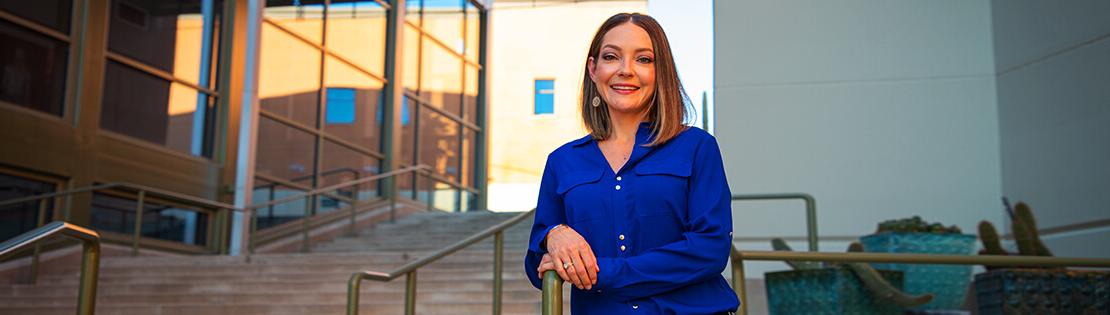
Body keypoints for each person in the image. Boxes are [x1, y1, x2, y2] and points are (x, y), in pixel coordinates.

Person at [523, 12, 740, 315]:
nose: (626, 71)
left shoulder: (697, 148)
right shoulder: (563, 162)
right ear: (593, 69)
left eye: (643, 59)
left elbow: (710, 249)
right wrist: (554, 234)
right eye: (611, 57)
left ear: (660, 71)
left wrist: (604, 273)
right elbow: (538, 266)